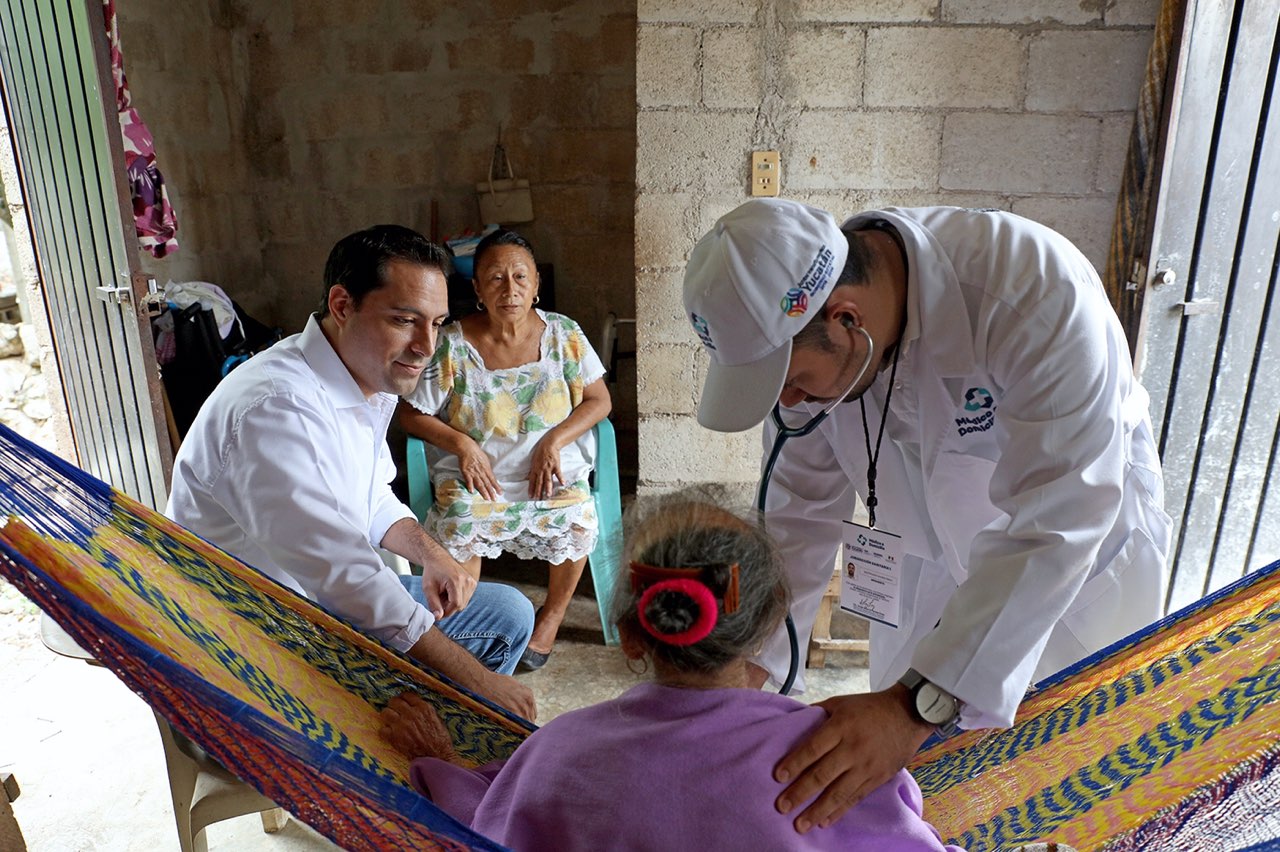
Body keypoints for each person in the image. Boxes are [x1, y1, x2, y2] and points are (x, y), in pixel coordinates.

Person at [682, 199, 1173, 833]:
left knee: (1079, 778)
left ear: (847, 319)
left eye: (795, 381)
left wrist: (918, 703)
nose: (790, 401)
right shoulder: (817, 349)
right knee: (918, 789)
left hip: (1075, 569)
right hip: (922, 562)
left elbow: (1060, 513)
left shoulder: (1030, 291)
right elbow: (797, 517)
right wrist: (760, 671)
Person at [379, 492, 964, 852]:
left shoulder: (557, 756)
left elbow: (482, 831)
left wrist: (445, 763)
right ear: (769, 627)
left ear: (631, 638)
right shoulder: (838, 759)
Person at [166, 224, 536, 720]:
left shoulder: (363, 377)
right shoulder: (275, 410)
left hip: (314, 598)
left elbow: (370, 495)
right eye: (405, 320)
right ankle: (425, 757)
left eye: (437, 322)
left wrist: (432, 556)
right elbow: (346, 578)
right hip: (267, 634)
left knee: (509, 614)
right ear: (342, 306)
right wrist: (480, 681)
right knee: (480, 683)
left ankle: (442, 744)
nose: (427, 346)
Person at [399, 228, 611, 671]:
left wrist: (553, 439)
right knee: (461, 518)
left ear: (536, 285)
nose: (509, 289)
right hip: (480, 474)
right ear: (476, 289)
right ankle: (462, 623)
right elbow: (410, 413)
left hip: (548, 471)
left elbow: (600, 400)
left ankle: (549, 620)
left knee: (575, 515)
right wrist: (462, 445)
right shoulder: (453, 344)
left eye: (520, 277)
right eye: (495, 278)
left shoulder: (565, 335)